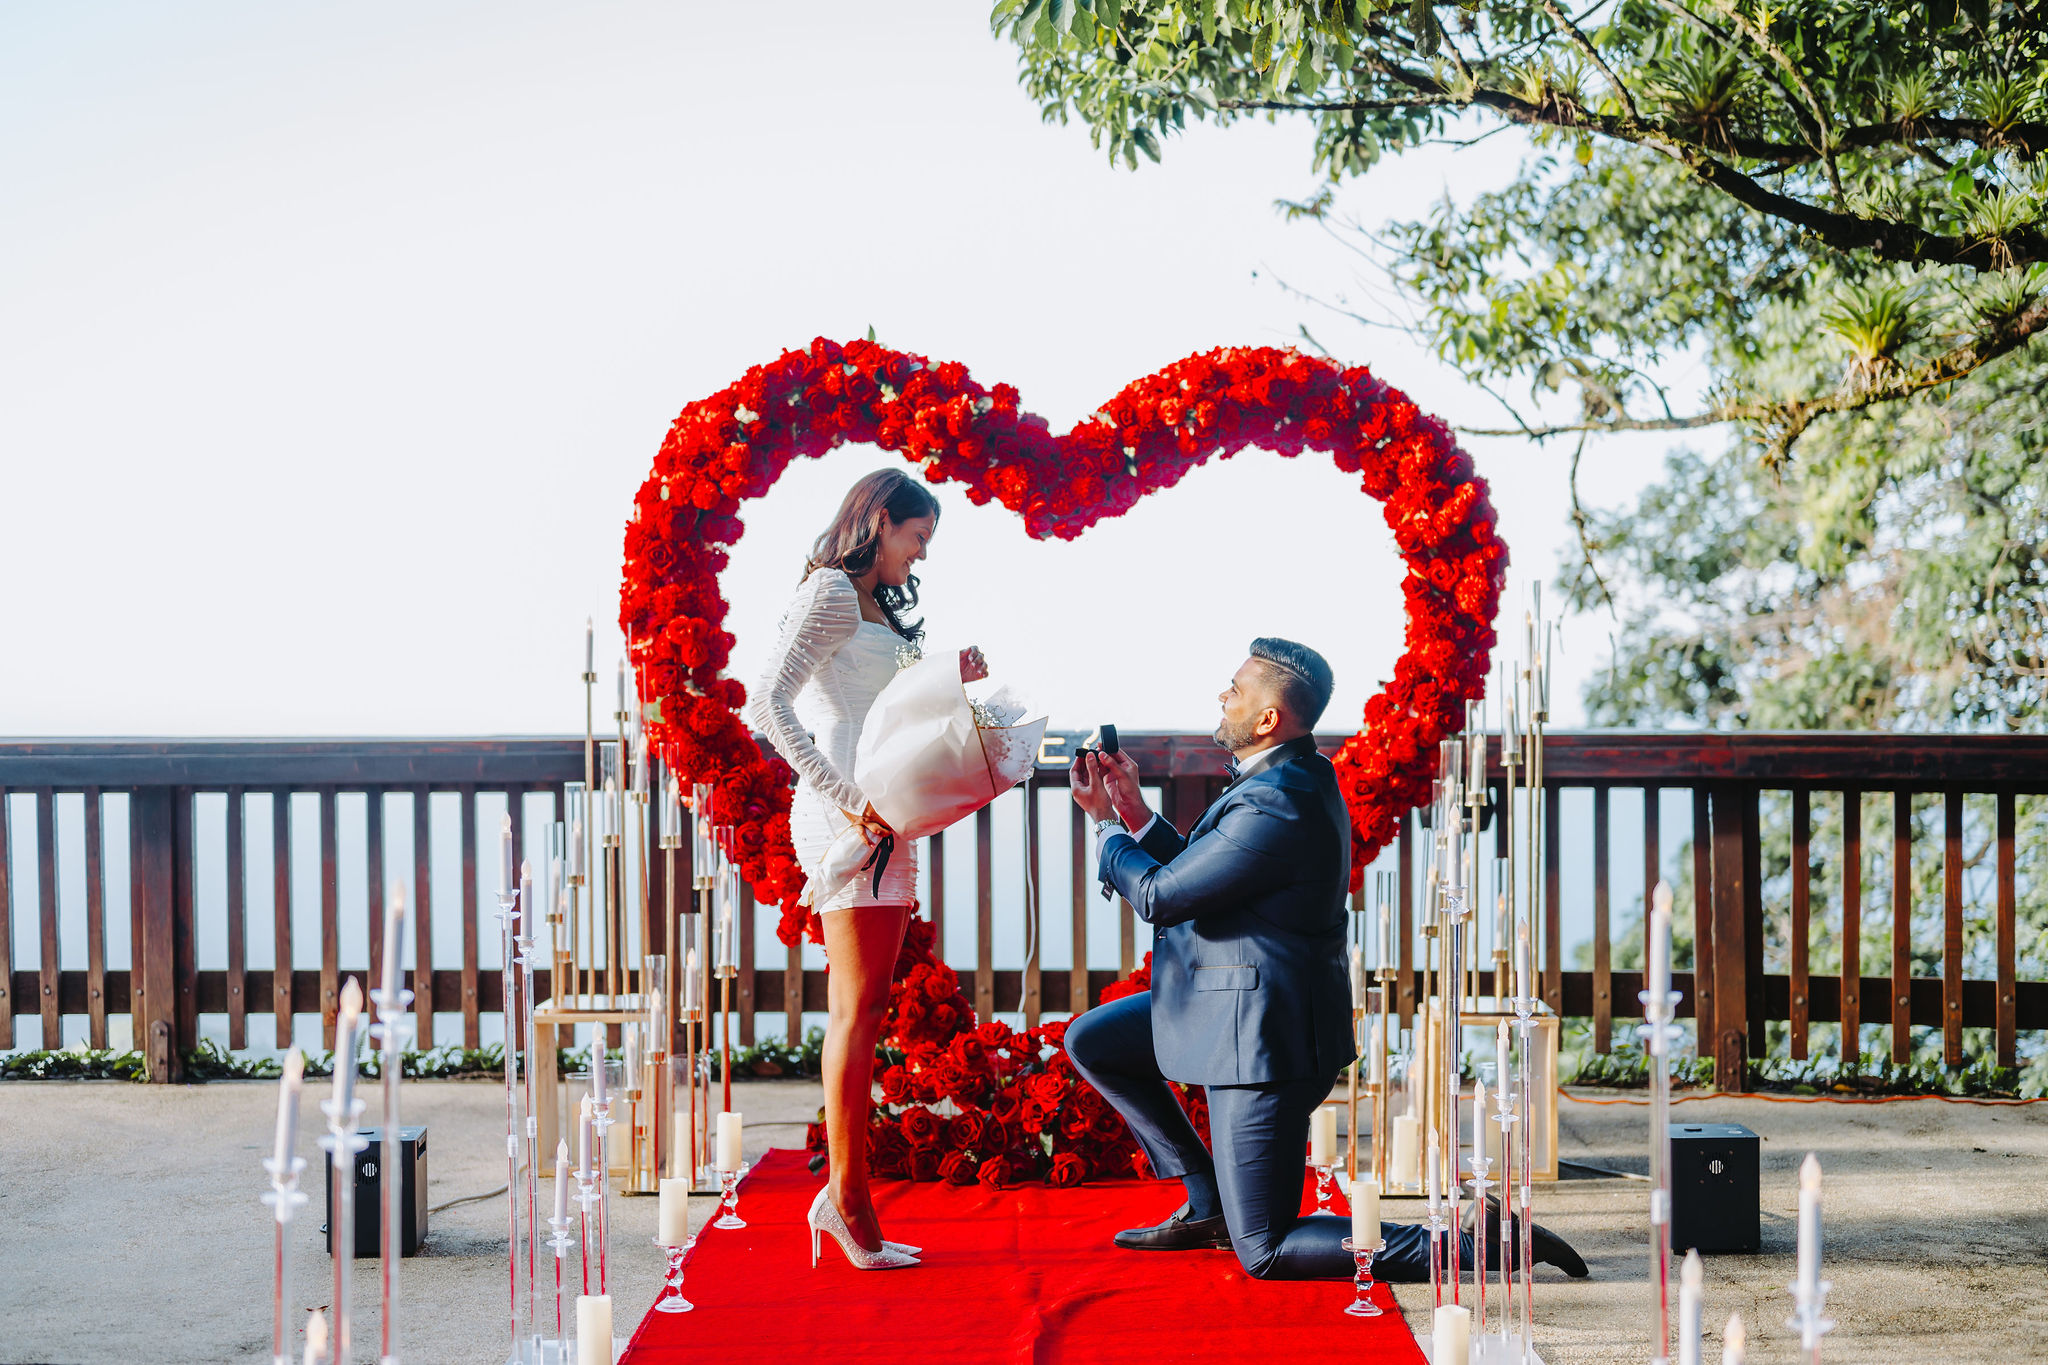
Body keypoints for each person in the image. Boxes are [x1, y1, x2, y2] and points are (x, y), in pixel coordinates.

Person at [1067, 637, 1586, 1282]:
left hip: (1261, 1041)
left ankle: (1480, 1244)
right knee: (1095, 1039)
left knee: (1268, 1248)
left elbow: (1160, 895)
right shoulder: (1284, 780)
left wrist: (1105, 831)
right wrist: (1136, 813)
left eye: (1235, 690)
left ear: (1267, 720)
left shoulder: (1277, 799)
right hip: (1229, 1001)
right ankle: (1208, 1205)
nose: (1221, 697)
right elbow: (1204, 876)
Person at [749, 468, 987, 1271]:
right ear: (880, 521)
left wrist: (952, 681)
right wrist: (846, 797)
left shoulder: (876, 601)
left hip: (881, 810)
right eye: (916, 536)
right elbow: (768, 703)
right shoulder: (829, 592)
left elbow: (893, 712)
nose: (920, 557)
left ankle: (847, 1196)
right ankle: (848, 1200)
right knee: (856, 1011)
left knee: (869, 1005)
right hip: (849, 812)